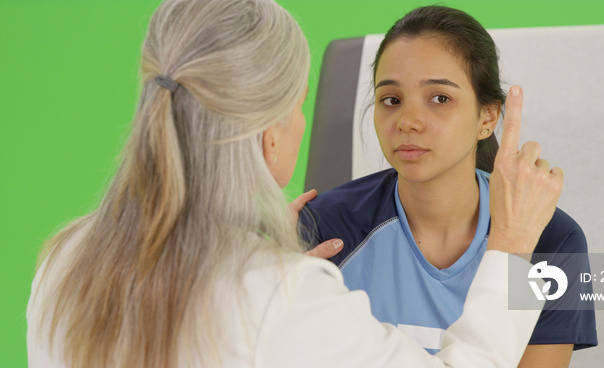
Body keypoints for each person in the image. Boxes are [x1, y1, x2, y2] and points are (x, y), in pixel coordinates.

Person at [26, 0, 563, 367]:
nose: (410, 120)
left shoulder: (64, 260)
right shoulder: (285, 290)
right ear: (269, 134)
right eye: (298, 104)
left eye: (440, 98)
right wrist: (513, 245)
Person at [299, 5, 597, 367]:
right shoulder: (325, 228)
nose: (408, 121)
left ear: (487, 117)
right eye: (391, 100)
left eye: (440, 98)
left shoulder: (548, 241)